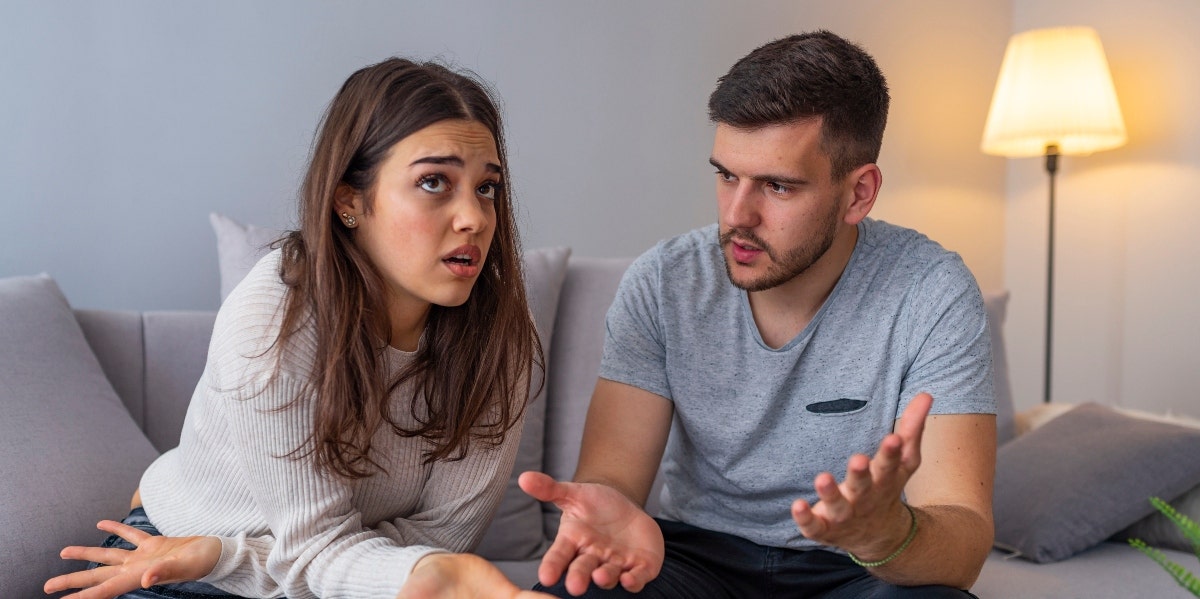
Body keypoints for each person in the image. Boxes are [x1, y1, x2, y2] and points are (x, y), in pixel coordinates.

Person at [44, 57, 553, 599]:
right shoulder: (275, 319)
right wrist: (223, 553)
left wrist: (232, 556)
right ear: (350, 201)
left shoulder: (500, 341)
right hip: (177, 558)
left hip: (282, 567)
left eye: (487, 188)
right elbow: (385, 565)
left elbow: (436, 544)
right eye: (434, 182)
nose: (474, 218)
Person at [518, 30, 997, 598]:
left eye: (777, 186)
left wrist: (885, 535)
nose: (738, 216)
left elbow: (963, 543)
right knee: (590, 588)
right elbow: (613, 479)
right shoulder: (665, 282)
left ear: (859, 193)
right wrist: (609, 510)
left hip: (858, 571)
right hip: (694, 558)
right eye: (726, 175)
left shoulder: (931, 292)